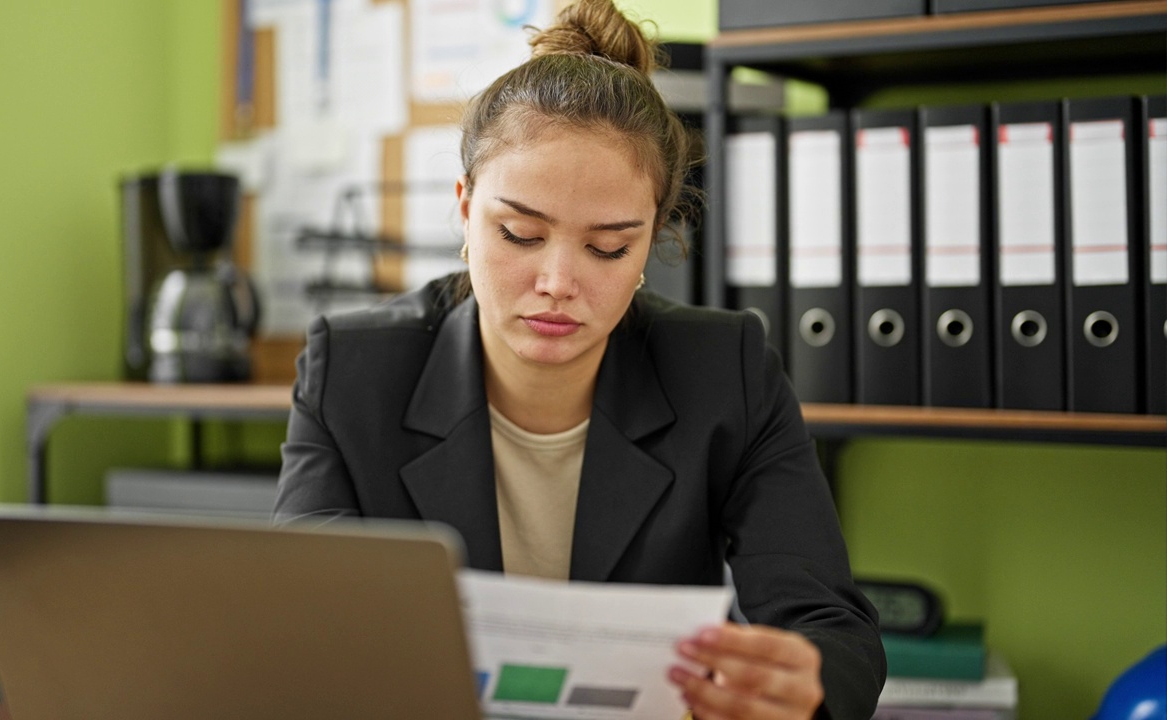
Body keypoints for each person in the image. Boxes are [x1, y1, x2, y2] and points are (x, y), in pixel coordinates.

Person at [274, 0, 885, 716]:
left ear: (652, 235)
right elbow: (302, 629)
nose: (558, 283)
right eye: (520, 234)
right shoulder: (352, 373)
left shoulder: (727, 371)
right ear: (466, 209)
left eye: (607, 248)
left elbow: (834, 634)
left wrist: (798, 686)